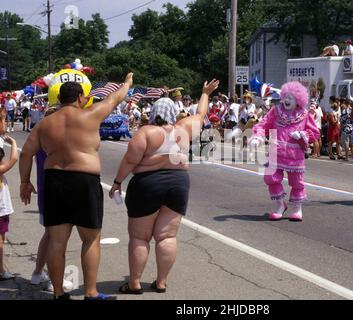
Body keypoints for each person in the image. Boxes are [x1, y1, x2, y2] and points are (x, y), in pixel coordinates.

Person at [19, 72, 134, 300]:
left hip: (55, 181)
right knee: (90, 239)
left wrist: (25, 181)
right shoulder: (91, 114)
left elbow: (26, 154)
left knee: (57, 241)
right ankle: (90, 293)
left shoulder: (44, 124)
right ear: (81, 97)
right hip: (84, 181)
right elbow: (115, 98)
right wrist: (128, 82)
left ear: (60, 98)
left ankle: (59, 293)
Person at [109, 79, 219, 295]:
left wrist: (117, 182)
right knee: (167, 237)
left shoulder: (146, 132)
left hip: (147, 184)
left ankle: (135, 283)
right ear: (173, 112)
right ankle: (161, 281)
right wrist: (205, 93)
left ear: (153, 113)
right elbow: (201, 114)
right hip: (177, 183)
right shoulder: (185, 128)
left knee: (140, 237)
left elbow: (130, 161)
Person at [249, 81, 320, 221]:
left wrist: (303, 135)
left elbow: (315, 133)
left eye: (291, 98)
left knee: (297, 183)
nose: (287, 100)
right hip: (276, 152)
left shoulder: (304, 115)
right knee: (270, 178)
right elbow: (263, 124)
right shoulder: (276, 111)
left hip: (295, 156)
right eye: (285, 97)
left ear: (298, 100)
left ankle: (297, 209)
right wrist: (258, 137)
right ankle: (281, 206)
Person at [30, 107, 73, 292]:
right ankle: (53, 280)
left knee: (49, 236)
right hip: (54, 191)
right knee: (56, 239)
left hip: (46, 190)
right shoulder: (51, 142)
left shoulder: (39, 139)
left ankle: (38, 273)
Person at [0, 136, 18, 281]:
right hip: (1, 211)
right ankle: (1, 270)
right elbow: (13, 159)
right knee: (0, 240)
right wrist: (13, 143)